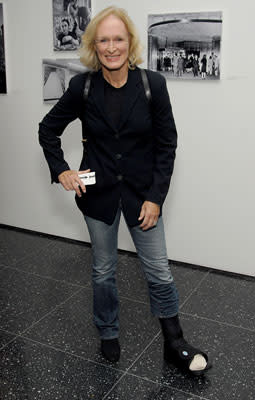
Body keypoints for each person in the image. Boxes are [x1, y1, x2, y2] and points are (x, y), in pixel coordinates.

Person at [39, 6, 211, 375]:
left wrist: (155, 198)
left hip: (141, 196)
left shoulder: (152, 84)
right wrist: (61, 170)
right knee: (103, 270)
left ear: (130, 43)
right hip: (97, 197)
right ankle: (108, 332)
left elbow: (167, 146)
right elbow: (47, 130)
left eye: (118, 39)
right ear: (94, 45)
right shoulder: (81, 87)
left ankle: (174, 342)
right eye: (104, 40)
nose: (111, 46)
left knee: (159, 271)